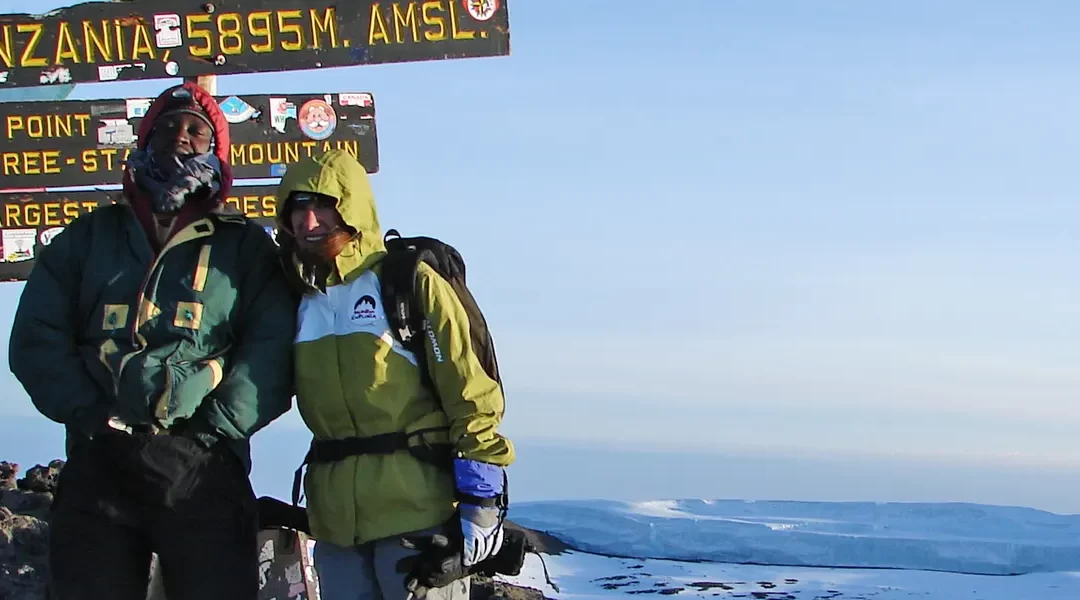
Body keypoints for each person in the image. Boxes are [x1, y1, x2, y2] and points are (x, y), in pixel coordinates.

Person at [7, 81, 297, 600]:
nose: (180, 137)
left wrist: (214, 427)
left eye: (196, 130)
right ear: (144, 138)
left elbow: (272, 349)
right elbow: (36, 335)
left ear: (216, 149)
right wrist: (88, 413)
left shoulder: (244, 247)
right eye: (166, 126)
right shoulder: (90, 236)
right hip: (99, 455)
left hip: (203, 464)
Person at [274, 149, 515, 600]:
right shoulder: (297, 297)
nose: (309, 223)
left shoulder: (407, 284)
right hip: (336, 527)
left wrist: (482, 504)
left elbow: (471, 393)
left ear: (352, 207)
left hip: (417, 517)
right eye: (297, 210)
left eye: (323, 205)